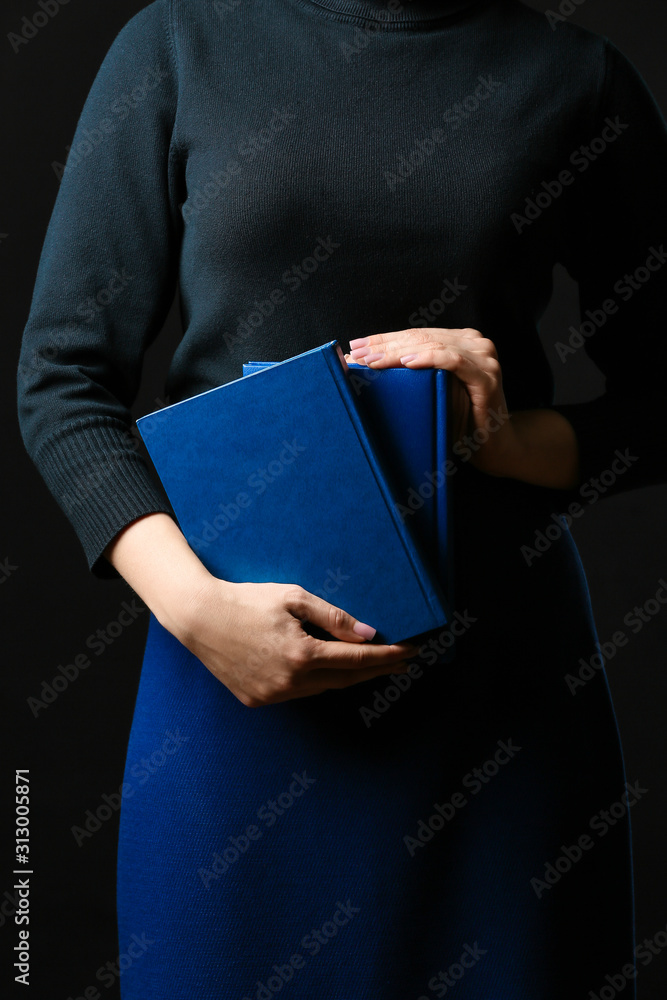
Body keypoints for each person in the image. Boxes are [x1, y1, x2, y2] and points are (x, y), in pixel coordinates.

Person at [16, 0, 666, 996]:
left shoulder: (573, 77)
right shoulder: (179, 42)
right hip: (230, 667)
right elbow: (61, 375)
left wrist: (494, 436)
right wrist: (191, 606)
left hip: (498, 699)